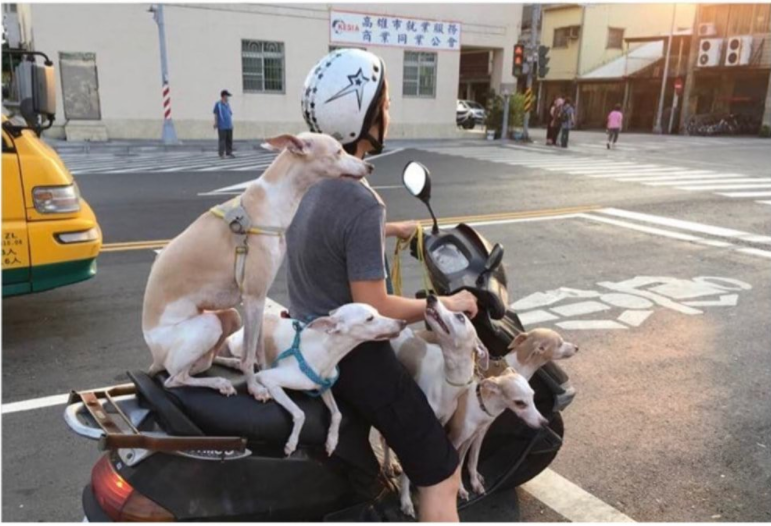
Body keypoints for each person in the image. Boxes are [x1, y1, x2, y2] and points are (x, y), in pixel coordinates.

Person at [290, 49, 478, 521]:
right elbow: (373, 303)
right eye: (385, 104)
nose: (388, 113)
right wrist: (445, 302)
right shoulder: (360, 200)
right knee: (441, 471)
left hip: (311, 341)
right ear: (364, 117)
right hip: (358, 361)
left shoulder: (308, 180)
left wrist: (389, 231)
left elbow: (330, 239)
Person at [213, 89, 235, 158]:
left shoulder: (227, 104)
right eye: (227, 96)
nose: (228, 98)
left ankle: (229, 152)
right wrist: (216, 123)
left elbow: (230, 113)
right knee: (222, 140)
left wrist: (231, 124)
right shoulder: (218, 104)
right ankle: (221, 153)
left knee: (229, 140)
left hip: (229, 125)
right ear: (223, 96)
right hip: (222, 125)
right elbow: (216, 114)